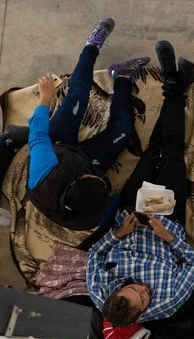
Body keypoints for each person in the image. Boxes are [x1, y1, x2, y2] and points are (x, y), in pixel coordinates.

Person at [86, 41, 194, 327]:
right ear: (142, 314)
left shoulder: (100, 292)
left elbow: (94, 257)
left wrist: (117, 234)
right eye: (143, 297)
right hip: (165, 218)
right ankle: (174, 84)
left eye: (134, 289)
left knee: (153, 150)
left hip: (133, 213)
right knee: (173, 148)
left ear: (116, 290)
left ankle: (176, 85)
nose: (143, 289)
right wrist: (170, 239)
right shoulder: (169, 301)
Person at [26, 17, 150, 231]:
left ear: (74, 181)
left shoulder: (44, 173)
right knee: (124, 130)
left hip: (58, 146)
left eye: (91, 177)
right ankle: (121, 78)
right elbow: (114, 204)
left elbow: (37, 134)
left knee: (79, 94)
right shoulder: (92, 216)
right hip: (85, 160)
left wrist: (45, 98)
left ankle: (92, 45)